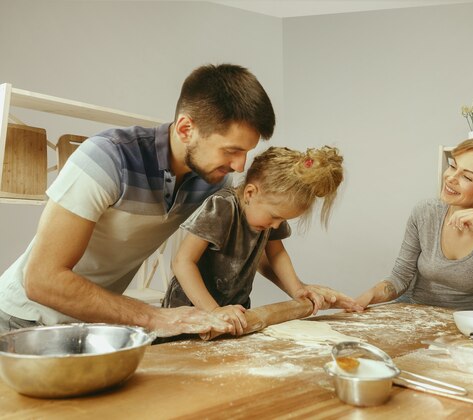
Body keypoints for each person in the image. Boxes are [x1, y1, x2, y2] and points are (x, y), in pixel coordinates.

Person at [0, 64, 276, 337]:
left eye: (246, 153)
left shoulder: (212, 180)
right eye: (231, 150)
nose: (240, 166)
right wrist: (154, 317)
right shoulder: (107, 158)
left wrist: (299, 289)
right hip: (22, 319)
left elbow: (254, 235)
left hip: (92, 322)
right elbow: (42, 280)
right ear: (185, 129)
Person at [163, 146, 362, 336]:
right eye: (275, 217)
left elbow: (276, 254)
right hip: (191, 311)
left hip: (235, 312)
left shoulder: (265, 220)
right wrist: (213, 310)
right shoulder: (222, 207)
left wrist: (297, 289)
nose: (276, 225)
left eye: (282, 220)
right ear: (250, 193)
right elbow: (182, 262)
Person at [354, 137, 473, 311]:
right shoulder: (425, 212)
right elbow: (400, 277)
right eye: (453, 166)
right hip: (413, 315)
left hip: (468, 326)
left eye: (467, 177)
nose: (450, 178)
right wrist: (370, 295)